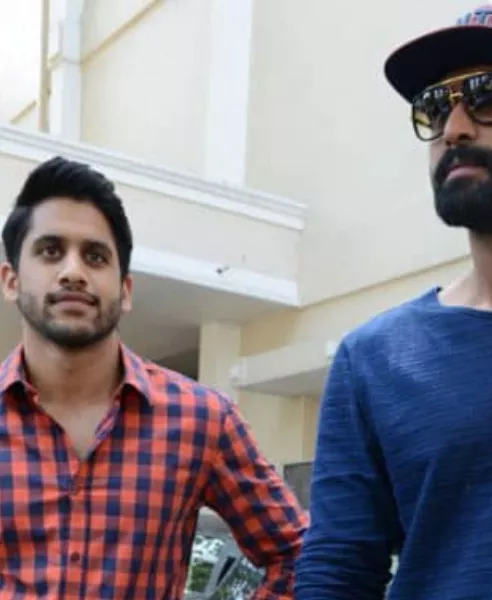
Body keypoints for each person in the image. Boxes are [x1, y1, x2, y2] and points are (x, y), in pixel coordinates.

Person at [295, 4, 492, 599]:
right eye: (435, 108)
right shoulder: (374, 359)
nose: (454, 128)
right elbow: (338, 573)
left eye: (489, 98)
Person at [0, 155, 307, 599]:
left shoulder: (201, 420)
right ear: (11, 280)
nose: (73, 272)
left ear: (125, 290)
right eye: (50, 251)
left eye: (95, 256)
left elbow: (299, 554)